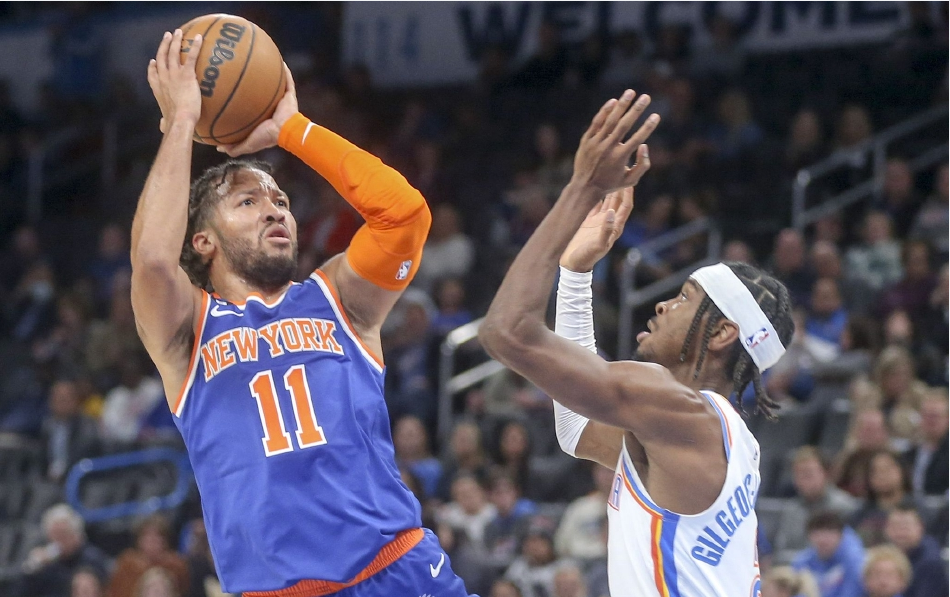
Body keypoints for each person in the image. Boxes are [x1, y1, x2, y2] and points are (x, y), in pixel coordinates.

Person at [133, 30, 471, 596]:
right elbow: (151, 262)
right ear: (203, 242)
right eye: (249, 201)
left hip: (398, 569)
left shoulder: (339, 297)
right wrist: (183, 123)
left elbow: (404, 216)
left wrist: (293, 130)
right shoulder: (187, 331)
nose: (275, 211)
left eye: (281, 202)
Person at [479, 90, 795, 596]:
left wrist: (582, 187)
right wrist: (575, 273)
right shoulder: (718, 436)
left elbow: (507, 332)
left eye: (686, 298)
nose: (663, 306)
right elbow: (577, 429)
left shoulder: (678, 409)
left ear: (721, 334)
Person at [773, 447, 859, 556]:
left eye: (808, 473)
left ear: (826, 473)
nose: (802, 479)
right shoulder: (791, 509)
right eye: (798, 474)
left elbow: (851, 550)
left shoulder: (846, 507)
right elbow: (782, 548)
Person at [14, 504, 113, 597]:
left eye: (63, 535)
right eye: (54, 536)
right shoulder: (47, 564)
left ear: (77, 535)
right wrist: (32, 569)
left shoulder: (93, 559)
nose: (59, 542)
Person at [108, 514, 189, 597]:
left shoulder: (176, 566)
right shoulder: (127, 565)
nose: (152, 541)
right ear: (138, 540)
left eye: (157, 536)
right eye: (147, 536)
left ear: (165, 540)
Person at [792, 512, 865, 597]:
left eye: (829, 533)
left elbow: (852, 593)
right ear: (808, 536)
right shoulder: (801, 563)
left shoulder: (854, 561)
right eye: (817, 533)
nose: (823, 540)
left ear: (841, 536)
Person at [883, 504, 948, 597]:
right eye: (895, 525)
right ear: (886, 529)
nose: (901, 531)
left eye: (906, 526)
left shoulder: (930, 562)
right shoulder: (884, 557)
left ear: (920, 527)